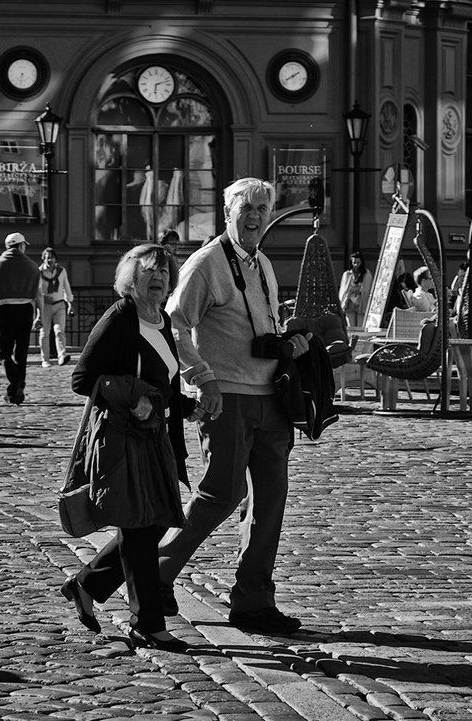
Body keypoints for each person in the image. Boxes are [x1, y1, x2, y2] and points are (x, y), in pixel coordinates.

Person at [161, 178, 313, 635]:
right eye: (246, 207)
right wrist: (201, 379)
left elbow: (256, 326)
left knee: (270, 503)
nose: (255, 215)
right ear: (228, 212)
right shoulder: (207, 262)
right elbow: (175, 325)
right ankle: (152, 575)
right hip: (227, 399)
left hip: (272, 400)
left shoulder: (262, 262)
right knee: (219, 495)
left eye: (263, 208)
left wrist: (290, 342)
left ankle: (253, 601)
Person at [60, 244, 205, 652]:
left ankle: (87, 583)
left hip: (158, 438)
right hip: (126, 440)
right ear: (130, 277)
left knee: (153, 521)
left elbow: (164, 384)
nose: (157, 277)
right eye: (147, 271)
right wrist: (132, 396)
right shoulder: (120, 317)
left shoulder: (160, 320)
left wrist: (188, 407)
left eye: (163, 271)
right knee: (142, 528)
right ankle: (147, 623)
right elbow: (83, 379)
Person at [0, 233, 42, 405]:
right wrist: (40, 314)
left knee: (3, 351)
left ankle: (15, 382)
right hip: (25, 310)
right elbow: (39, 293)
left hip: (6, 310)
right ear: (21, 246)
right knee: (22, 352)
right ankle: (19, 387)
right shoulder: (32, 266)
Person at [38, 247, 74, 368]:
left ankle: (61, 356)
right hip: (45, 306)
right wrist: (43, 297)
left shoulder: (61, 271)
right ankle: (45, 359)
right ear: (43, 259)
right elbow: (36, 290)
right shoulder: (39, 272)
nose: (49, 260)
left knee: (59, 331)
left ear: (55, 259)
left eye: (51, 257)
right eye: (47, 258)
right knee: (45, 332)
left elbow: (66, 287)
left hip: (59, 304)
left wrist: (70, 303)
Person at [338, 251, 371, 327]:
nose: (356, 265)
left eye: (358, 262)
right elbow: (343, 290)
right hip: (349, 303)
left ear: (361, 262)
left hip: (362, 303)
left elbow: (367, 289)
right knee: (351, 327)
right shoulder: (347, 274)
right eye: (354, 263)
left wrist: (358, 290)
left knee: (361, 327)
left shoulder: (366, 274)